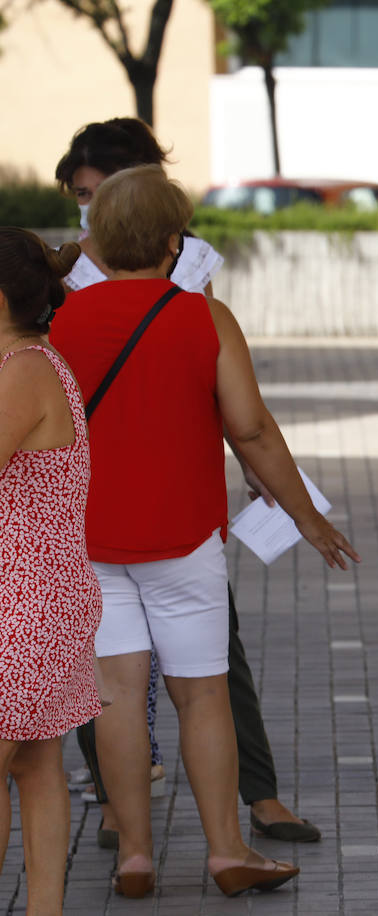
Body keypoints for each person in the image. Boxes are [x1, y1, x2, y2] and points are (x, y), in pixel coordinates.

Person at [49, 165, 360, 898]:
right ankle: (226, 850)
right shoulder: (202, 317)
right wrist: (308, 519)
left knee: (117, 697)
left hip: (89, 539)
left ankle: (133, 853)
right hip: (184, 537)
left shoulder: (59, 322)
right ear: (172, 240)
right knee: (202, 694)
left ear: (95, 240)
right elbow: (249, 430)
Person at [0, 230, 102, 915]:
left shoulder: (24, 372)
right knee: (38, 767)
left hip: (22, 606)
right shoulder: (36, 363)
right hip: (44, 600)